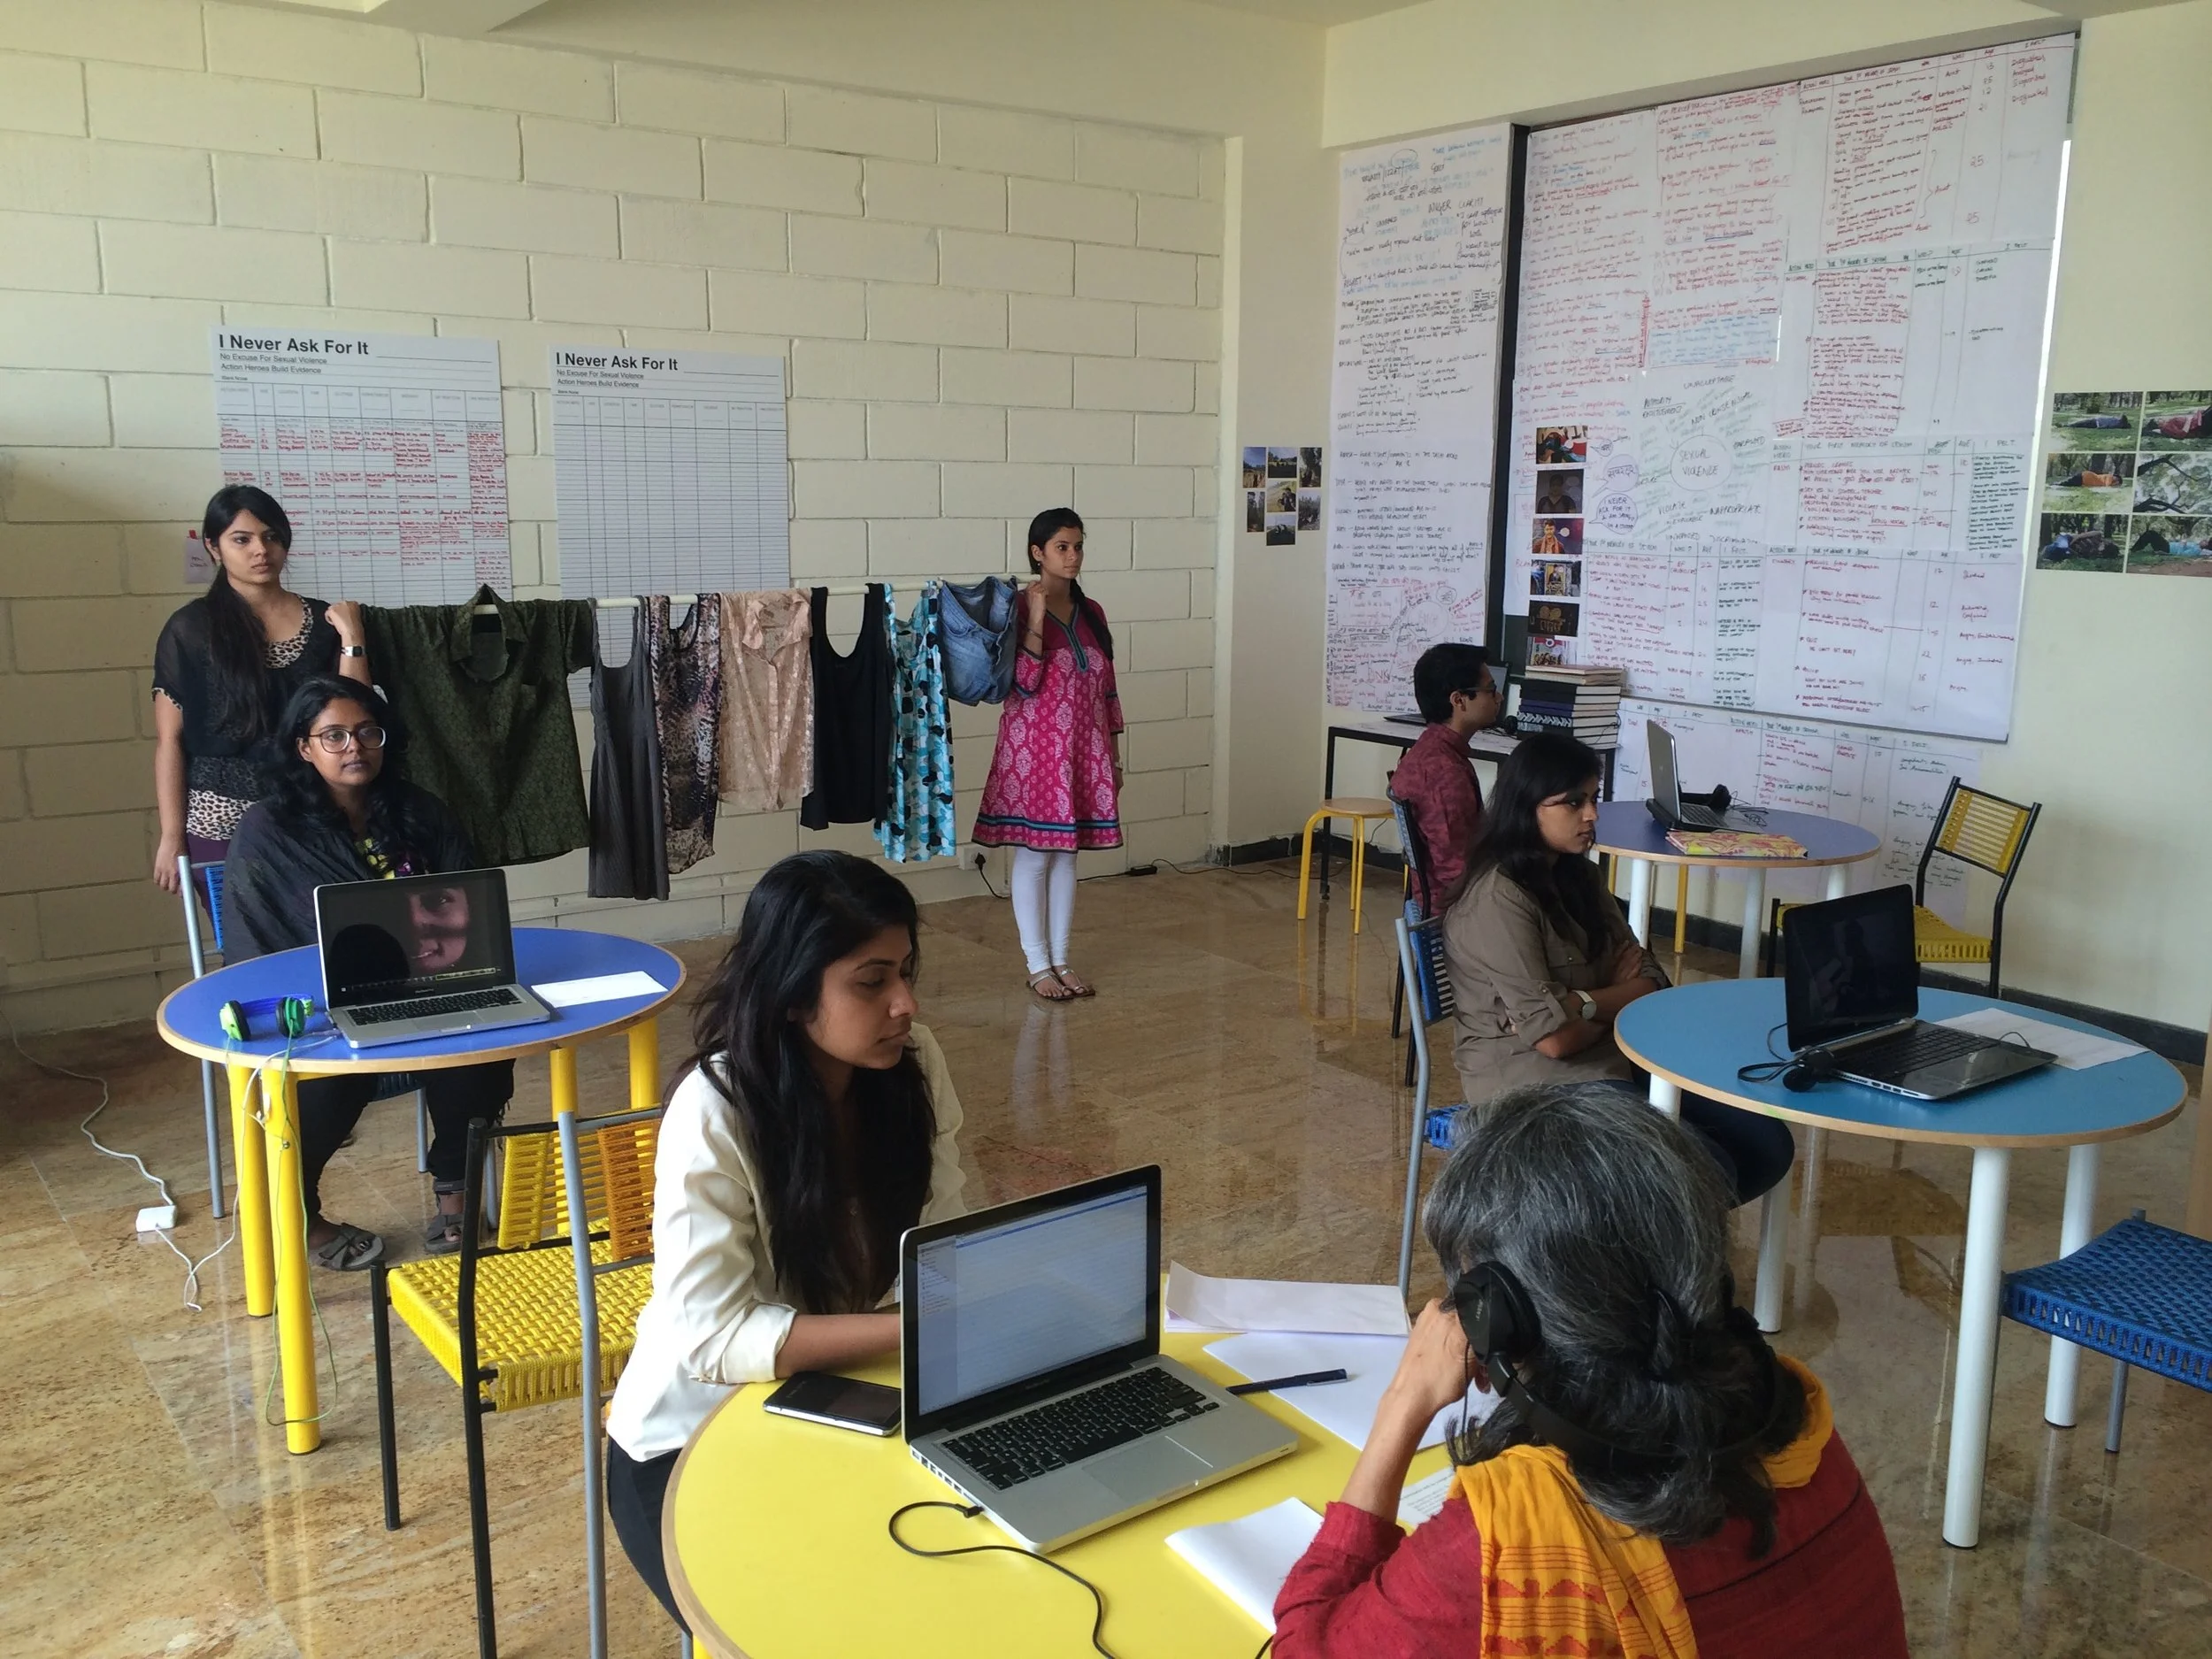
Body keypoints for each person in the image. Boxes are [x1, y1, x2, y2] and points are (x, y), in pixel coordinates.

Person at [1274, 1083, 1907, 1657]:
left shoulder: (1517, 1538)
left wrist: (1402, 1405)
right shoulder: (1800, 1420)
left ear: (1498, 1318)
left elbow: (1304, 1648)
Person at [604, 851, 967, 1627]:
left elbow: (943, 1245)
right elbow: (712, 1338)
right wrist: (917, 1325)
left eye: (906, 971)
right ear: (795, 993)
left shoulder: (914, 1067)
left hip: (847, 1398)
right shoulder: (716, 1108)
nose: (904, 1003)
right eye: (871, 982)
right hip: (688, 1441)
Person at [220, 677, 514, 1269]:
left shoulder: (418, 810)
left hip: (430, 981)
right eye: (333, 735)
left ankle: (456, 1190)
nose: (354, 746)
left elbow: (468, 898)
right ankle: (297, 1214)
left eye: (366, 732)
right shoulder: (270, 828)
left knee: (479, 1042)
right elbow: (262, 939)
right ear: (304, 747)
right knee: (329, 1078)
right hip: (322, 1001)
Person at [1441, 731, 1793, 1207]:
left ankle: (1640, 1239)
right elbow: (1554, 1042)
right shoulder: (1498, 900)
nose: (1591, 814)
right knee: (1703, 1168)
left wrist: (1582, 1004)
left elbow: (1652, 981)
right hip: (1529, 1085)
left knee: (1766, 1145)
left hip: (1612, 1058)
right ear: (1527, 807)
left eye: (1593, 799)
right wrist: (1616, 999)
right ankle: (1626, 1244)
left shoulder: (1578, 875)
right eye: (1573, 802)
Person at [152, 486, 371, 894]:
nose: (261, 550)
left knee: (327, 926)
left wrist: (352, 636)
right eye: (242, 539)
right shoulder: (191, 629)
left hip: (312, 814)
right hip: (220, 825)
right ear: (213, 547)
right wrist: (172, 836)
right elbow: (170, 741)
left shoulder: (326, 622)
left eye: (271, 536)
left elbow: (355, 715)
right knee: (241, 930)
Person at [972, 508, 1125, 1002]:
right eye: (1062, 546)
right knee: (1036, 856)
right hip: (1034, 753)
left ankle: (1061, 960)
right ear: (1038, 552)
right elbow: (1023, 683)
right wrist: (1036, 616)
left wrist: (1113, 758)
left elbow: (1108, 693)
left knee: (1066, 857)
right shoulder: (1014, 609)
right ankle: (1037, 965)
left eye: (1078, 546)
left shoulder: (1093, 611)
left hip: (1083, 752)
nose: (1073, 555)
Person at [1391, 644, 1500, 910]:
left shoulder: (1428, 751)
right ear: (1459, 700)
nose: (1499, 697)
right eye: (1491, 689)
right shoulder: (1444, 773)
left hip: (1450, 900)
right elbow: (1455, 870)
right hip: (1454, 912)